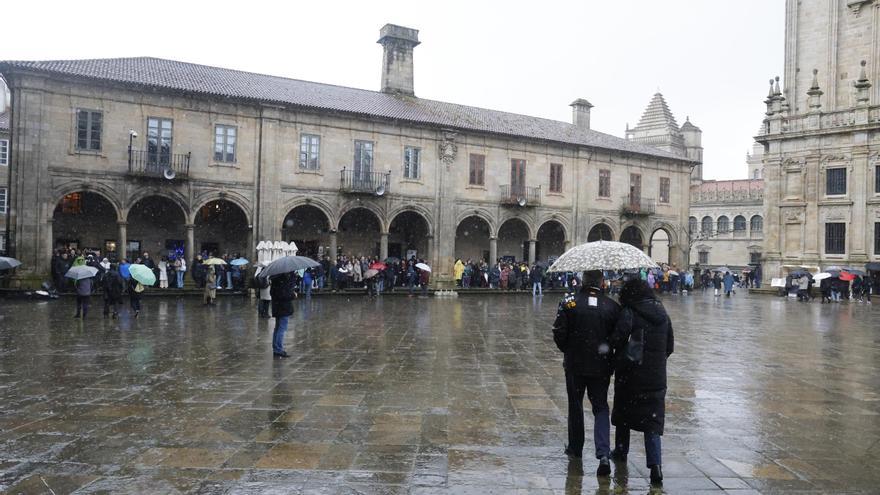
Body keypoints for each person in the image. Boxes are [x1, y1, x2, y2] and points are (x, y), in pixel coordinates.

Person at [552, 269, 620, 477]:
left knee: (576, 405)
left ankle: (576, 448)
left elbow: (558, 332)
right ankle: (604, 454)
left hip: (575, 364)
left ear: (583, 280)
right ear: (601, 282)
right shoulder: (612, 306)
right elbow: (618, 336)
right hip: (601, 366)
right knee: (600, 407)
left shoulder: (569, 302)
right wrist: (606, 352)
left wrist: (569, 349)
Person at [609, 278, 674, 486]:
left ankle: (620, 451)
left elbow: (618, 338)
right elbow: (670, 346)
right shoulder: (662, 312)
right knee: (652, 423)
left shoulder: (629, 311)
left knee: (624, 415)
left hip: (631, 374)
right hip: (656, 377)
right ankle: (655, 467)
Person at [270, 272, 296, 358]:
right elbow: (285, 295)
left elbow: (273, 293)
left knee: (277, 328)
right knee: (281, 328)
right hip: (283, 308)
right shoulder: (283, 281)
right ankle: (278, 349)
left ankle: (276, 348)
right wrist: (293, 295)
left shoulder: (274, 280)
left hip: (277, 308)